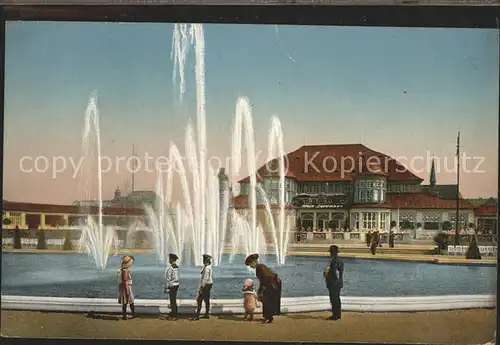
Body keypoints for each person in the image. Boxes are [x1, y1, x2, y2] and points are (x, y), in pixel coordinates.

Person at [244, 253, 282, 323]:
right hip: (272, 284)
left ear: (254, 262)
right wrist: (261, 290)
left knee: (267, 301)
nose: (250, 266)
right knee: (267, 301)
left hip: (273, 285)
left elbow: (266, 279)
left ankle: (268, 317)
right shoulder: (259, 267)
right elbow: (263, 280)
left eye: (250, 265)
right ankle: (268, 317)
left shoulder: (260, 267)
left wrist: (261, 290)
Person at [324, 245, 344, 320]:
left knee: (333, 299)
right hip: (339, 282)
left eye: (331, 252)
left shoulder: (333, 261)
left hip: (333, 283)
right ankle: (338, 314)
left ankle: (335, 315)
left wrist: (327, 276)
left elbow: (334, 272)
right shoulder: (341, 260)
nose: (330, 254)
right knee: (337, 298)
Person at [191, 254, 213, 320]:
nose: (203, 260)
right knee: (206, 299)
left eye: (204, 259)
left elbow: (205, 279)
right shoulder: (208, 267)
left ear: (206, 260)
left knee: (199, 299)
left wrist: (201, 287)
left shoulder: (207, 268)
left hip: (206, 285)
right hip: (209, 284)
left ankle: (197, 316)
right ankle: (206, 314)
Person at [117, 255, 135, 320]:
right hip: (127, 288)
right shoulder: (125, 271)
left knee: (125, 302)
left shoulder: (122, 270)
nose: (131, 265)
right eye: (131, 263)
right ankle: (132, 314)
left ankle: (124, 316)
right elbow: (125, 281)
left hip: (123, 288)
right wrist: (127, 290)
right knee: (131, 301)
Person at [165, 253, 180, 320]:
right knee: (173, 300)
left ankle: (174, 315)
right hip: (176, 284)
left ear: (171, 259)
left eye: (169, 259)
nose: (169, 260)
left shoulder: (170, 268)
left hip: (172, 285)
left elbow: (168, 278)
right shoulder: (176, 267)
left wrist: (167, 287)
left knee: (172, 300)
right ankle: (174, 312)